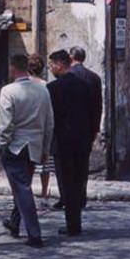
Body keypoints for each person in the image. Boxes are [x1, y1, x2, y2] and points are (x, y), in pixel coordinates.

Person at [0, 54, 54, 248]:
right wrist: (46, 148)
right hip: (35, 146)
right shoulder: (43, 90)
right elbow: (49, 124)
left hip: (15, 146)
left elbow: (5, 124)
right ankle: (14, 222)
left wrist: (1, 145)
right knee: (22, 186)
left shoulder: (8, 91)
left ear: (13, 68)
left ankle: (34, 234)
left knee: (22, 189)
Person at [47, 49, 95, 237]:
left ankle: (72, 223)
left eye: (52, 65)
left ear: (60, 64)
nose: (51, 68)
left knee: (66, 184)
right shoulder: (85, 85)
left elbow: (51, 118)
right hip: (82, 140)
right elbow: (92, 113)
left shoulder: (53, 88)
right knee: (79, 180)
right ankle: (76, 222)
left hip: (63, 142)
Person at [69, 46, 103, 209]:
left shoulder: (67, 77)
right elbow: (98, 106)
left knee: (69, 167)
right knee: (83, 165)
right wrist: (95, 128)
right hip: (87, 128)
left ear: (71, 57)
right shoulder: (94, 78)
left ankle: (70, 198)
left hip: (68, 128)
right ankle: (81, 195)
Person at [27, 54, 55, 202]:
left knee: (28, 166)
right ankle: (44, 194)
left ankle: (27, 193)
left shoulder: (22, 85)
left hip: (26, 129)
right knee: (45, 165)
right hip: (42, 128)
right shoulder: (47, 86)